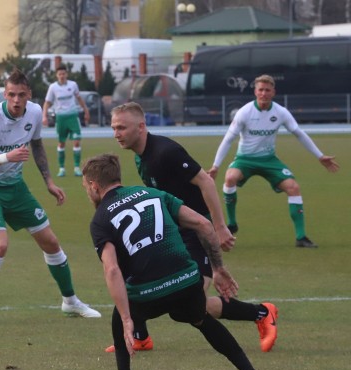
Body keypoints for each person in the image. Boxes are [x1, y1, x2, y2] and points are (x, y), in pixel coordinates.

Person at [82, 153, 268, 370]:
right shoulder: (154, 194)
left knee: (119, 318)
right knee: (199, 317)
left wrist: (129, 319)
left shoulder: (100, 219)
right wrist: (218, 268)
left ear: (94, 186)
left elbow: (112, 269)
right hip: (188, 282)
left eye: (86, 186)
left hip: (148, 294)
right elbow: (204, 225)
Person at [106, 102, 278, 354]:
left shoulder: (166, 152)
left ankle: (262, 312)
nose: (116, 133)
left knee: (189, 306)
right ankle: (140, 336)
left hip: (196, 233)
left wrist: (219, 228)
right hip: (174, 234)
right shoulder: (141, 158)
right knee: (137, 273)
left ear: (141, 127)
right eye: (114, 128)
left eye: (121, 127)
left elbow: (206, 182)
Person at [0, 69, 100, 327]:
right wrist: (6, 157)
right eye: (11, 95)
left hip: (16, 187)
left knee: (50, 241)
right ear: (5, 95)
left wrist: (48, 181)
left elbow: (36, 144)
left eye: (21, 95)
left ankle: (70, 302)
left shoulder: (35, 113)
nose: (16, 100)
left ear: (29, 95)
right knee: (0, 245)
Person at [208, 74, 339, 248]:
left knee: (293, 187)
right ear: (255, 91)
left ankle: (301, 237)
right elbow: (228, 139)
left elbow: (298, 133)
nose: (263, 93)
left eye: (267, 90)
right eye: (260, 90)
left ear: (273, 92)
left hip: (269, 160)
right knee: (230, 178)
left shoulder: (280, 112)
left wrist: (320, 156)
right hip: (245, 159)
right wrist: (216, 165)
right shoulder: (245, 112)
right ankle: (232, 224)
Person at [42, 64, 89, 177]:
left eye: (63, 73)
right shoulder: (53, 87)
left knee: (77, 140)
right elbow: (47, 102)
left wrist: (86, 110)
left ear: (66, 74)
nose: (62, 76)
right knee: (61, 143)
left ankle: (77, 168)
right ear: (57, 75)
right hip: (61, 118)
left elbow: (79, 98)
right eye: (60, 74)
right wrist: (44, 116)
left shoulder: (73, 85)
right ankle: (61, 169)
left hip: (73, 116)